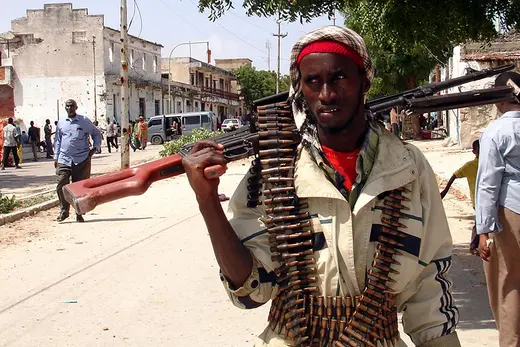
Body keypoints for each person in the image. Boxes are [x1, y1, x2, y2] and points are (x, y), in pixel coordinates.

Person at [182, 26, 460, 347]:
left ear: (363, 82)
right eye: (313, 81)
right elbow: (252, 290)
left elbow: (429, 290)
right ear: (300, 89)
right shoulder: (274, 171)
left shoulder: (408, 167)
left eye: (339, 77)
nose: (327, 94)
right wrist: (208, 203)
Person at [475, 71, 520, 347]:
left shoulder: (496, 132)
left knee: (508, 285)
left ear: (500, 99)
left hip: (511, 212)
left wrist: (484, 230)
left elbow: (488, 184)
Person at [54, 99, 101, 223]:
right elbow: (58, 140)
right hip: (64, 159)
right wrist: (56, 156)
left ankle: (79, 212)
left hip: (81, 159)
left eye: (71, 106)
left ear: (76, 107)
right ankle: (64, 211)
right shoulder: (61, 123)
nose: (69, 108)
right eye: (67, 106)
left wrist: (94, 149)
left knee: (79, 187)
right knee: (61, 184)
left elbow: (96, 133)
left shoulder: (84, 121)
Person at [441, 140, 480, 255]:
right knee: (479, 222)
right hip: (478, 200)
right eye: (479, 149)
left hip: (491, 198)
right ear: (474, 151)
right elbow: (455, 175)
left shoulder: (491, 163)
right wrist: (445, 190)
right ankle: (473, 246)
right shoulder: (470, 166)